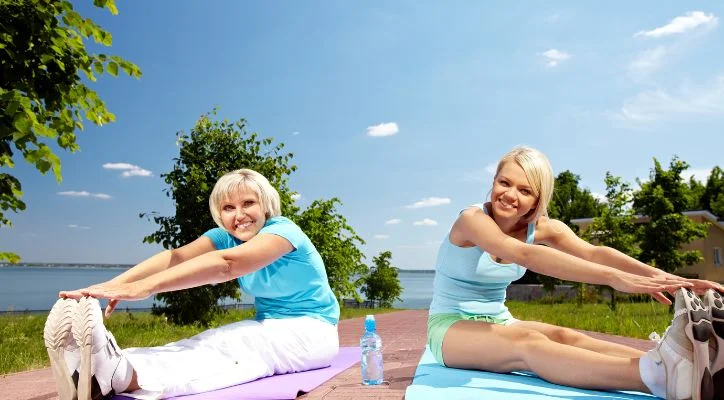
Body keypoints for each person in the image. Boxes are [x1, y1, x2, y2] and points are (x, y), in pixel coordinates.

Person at [427, 146, 724, 400]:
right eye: (504, 182)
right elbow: (521, 253)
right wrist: (613, 278)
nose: (509, 195)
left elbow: (595, 253)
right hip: (450, 327)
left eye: (524, 190)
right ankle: (658, 378)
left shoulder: (543, 228)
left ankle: (680, 361)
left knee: (564, 335)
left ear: (537, 199)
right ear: (493, 181)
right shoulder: (472, 219)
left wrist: (668, 280)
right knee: (529, 344)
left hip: (499, 320)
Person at [43, 169, 340, 400]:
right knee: (208, 340)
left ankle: (124, 377)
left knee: (241, 346)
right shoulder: (225, 236)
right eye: (228, 207)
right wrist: (109, 286)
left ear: (266, 206)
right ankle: (101, 366)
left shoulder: (284, 231)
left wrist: (143, 288)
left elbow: (228, 265)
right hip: (269, 325)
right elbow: (175, 258)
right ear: (219, 214)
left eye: (248, 203)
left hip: (313, 333)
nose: (239, 215)